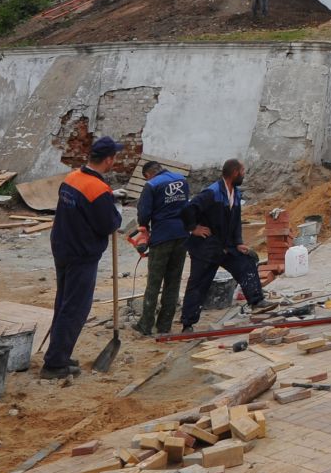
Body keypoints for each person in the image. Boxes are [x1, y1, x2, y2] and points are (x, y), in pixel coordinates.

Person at [41, 137, 123, 378]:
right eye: (114, 158)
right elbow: (108, 224)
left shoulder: (73, 178)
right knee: (75, 307)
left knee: (64, 302)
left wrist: (109, 199)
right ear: (108, 160)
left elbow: (83, 208)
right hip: (81, 253)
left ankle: (59, 354)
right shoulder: (98, 189)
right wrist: (115, 209)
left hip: (63, 247)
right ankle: (55, 364)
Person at [177, 159, 266, 332]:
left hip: (226, 246)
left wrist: (239, 243)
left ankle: (256, 300)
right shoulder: (212, 193)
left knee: (246, 262)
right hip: (206, 247)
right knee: (198, 284)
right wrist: (193, 228)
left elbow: (236, 221)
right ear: (235, 173)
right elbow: (187, 210)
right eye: (243, 171)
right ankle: (188, 322)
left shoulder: (236, 194)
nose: (244, 174)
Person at [133, 160, 191, 336]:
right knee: (173, 282)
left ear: (148, 174)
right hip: (182, 235)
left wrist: (144, 228)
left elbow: (144, 214)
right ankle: (164, 325)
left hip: (162, 237)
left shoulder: (151, 185)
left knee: (154, 282)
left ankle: (146, 324)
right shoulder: (181, 180)